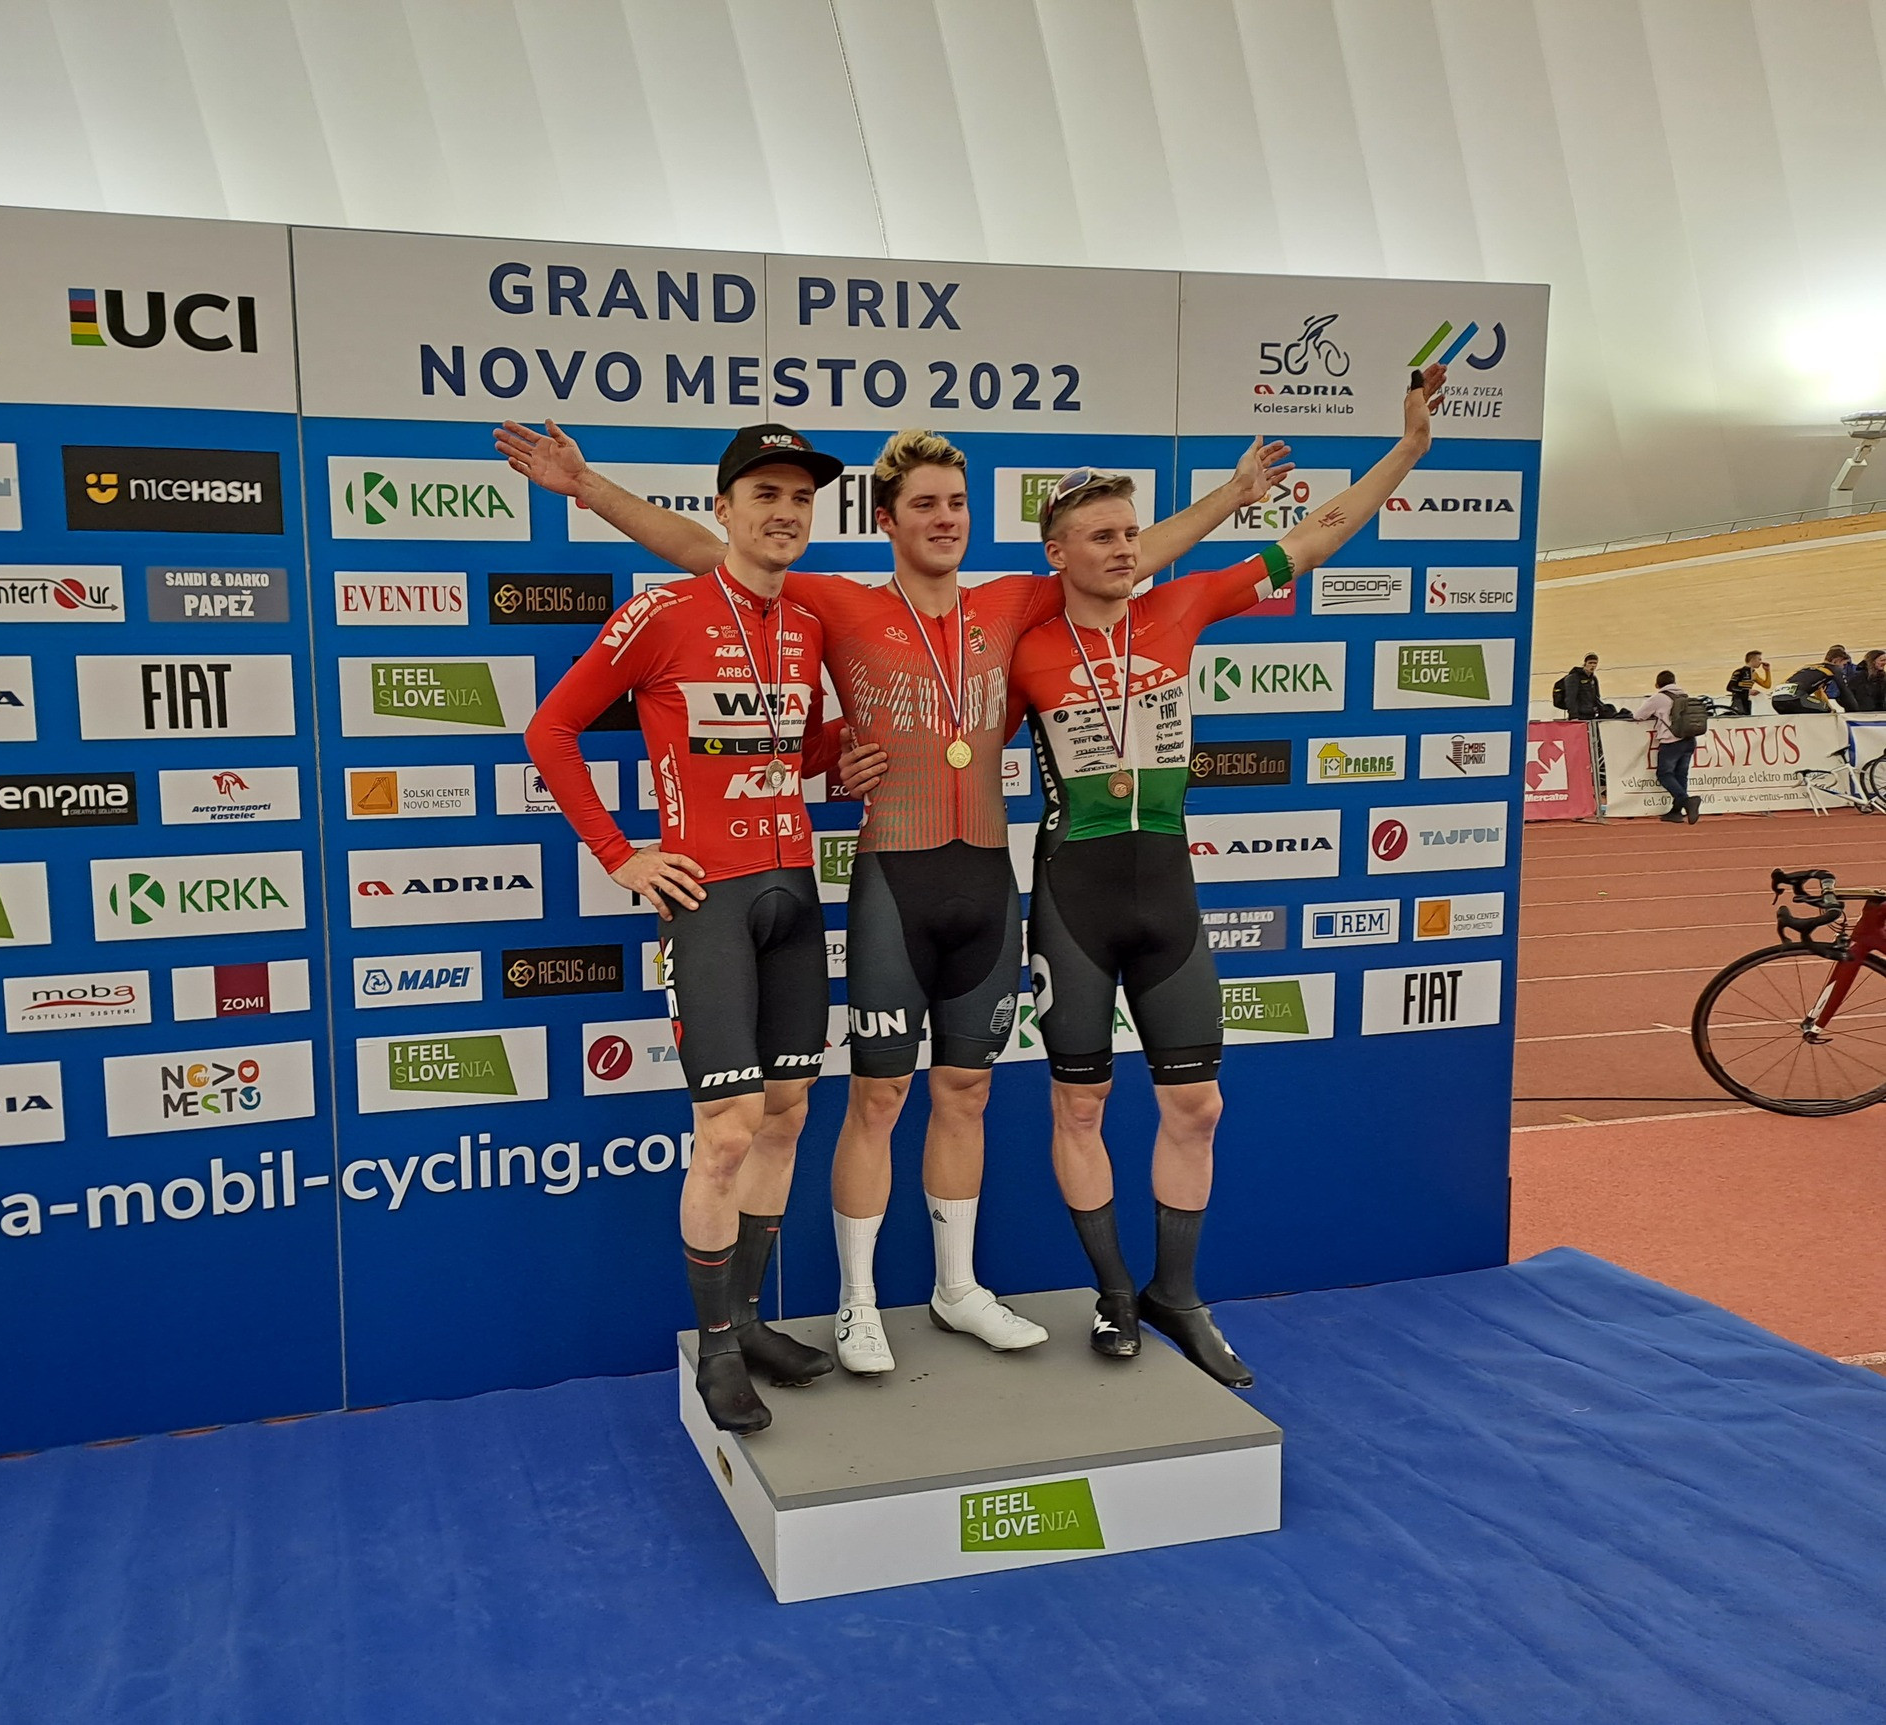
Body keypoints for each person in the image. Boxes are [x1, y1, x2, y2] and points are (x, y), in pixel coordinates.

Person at [498, 418, 1292, 1375]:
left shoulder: (1013, 599)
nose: (944, 518)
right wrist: (589, 488)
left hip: (986, 877)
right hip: (889, 875)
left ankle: (958, 1289)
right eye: (924, 504)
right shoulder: (831, 601)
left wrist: (1231, 497)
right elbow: (709, 550)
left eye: (957, 503)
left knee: (967, 1090)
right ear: (887, 519)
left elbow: (1126, 552)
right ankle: (857, 1304)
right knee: (875, 1096)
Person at [1008, 367, 1451, 1387]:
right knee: (1078, 1107)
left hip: (1165, 894)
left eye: (1132, 533)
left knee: (1197, 1105)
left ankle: (1176, 1291)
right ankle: (1114, 1293)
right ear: (1057, 553)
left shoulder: (1181, 606)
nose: (1124, 548)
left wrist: (1407, 450)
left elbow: (1317, 534)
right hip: (1072, 899)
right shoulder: (1022, 648)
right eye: (1101, 536)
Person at [523, 425, 887, 1435]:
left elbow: (774, 745)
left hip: (794, 892)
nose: (786, 513)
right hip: (709, 902)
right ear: (721, 510)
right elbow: (550, 730)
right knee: (725, 1131)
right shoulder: (664, 610)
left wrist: (838, 754)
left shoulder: (804, 621)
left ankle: (751, 1320)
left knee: (787, 1115)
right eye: (765, 494)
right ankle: (716, 1347)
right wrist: (619, 854)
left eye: (801, 498)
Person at [1632, 670, 1703, 822]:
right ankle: (1676, 812)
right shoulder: (1683, 695)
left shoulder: (1658, 698)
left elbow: (1638, 715)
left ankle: (1686, 801)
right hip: (1689, 739)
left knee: (1664, 774)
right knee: (1681, 775)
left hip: (1671, 740)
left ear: (1657, 684)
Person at [1555, 654, 1629, 722]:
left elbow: (1596, 697)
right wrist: (1573, 716)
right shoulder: (1573, 677)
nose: (1592, 665)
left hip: (1591, 715)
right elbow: (1570, 698)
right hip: (1579, 716)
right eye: (1590, 663)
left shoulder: (1593, 678)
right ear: (1585, 664)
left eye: (1595, 663)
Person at [1725, 650, 1770, 717]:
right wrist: (1747, 691)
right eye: (1759, 659)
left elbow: (1767, 685)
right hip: (1738, 700)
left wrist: (1767, 671)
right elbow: (1730, 687)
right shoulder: (1739, 671)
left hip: (1747, 700)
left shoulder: (1754, 674)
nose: (1761, 662)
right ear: (1752, 660)